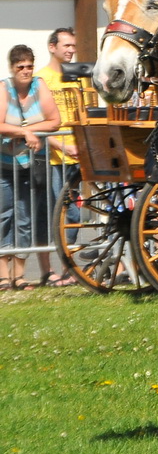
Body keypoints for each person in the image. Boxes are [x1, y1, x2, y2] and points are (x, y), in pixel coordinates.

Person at [2, 44, 63, 290]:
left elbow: (56, 121)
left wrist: (27, 132)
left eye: (29, 66)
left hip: (32, 164)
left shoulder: (39, 86)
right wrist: (26, 131)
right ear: (12, 69)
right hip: (4, 165)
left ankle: (19, 274)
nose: (26, 71)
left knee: (26, 219)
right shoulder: (3, 88)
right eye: (20, 67)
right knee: (4, 216)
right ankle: (3, 275)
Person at [33, 29, 81, 285]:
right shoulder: (41, 78)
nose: (71, 50)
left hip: (81, 155)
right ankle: (58, 269)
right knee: (61, 212)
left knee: (73, 214)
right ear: (52, 47)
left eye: (73, 45)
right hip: (53, 158)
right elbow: (35, 121)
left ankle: (69, 269)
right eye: (66, 45)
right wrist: (61, 146)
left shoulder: (78, 75)